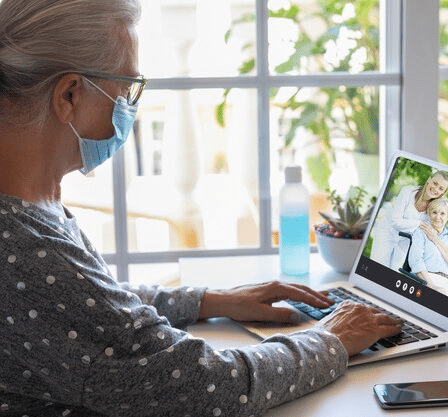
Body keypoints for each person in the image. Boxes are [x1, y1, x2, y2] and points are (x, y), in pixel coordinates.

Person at [0, 1, 401, 415]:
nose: (130, 107)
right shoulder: (28, 253)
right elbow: (203, 386)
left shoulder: (30, 212)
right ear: (69, 95)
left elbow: (91, 310)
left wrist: (212, 300)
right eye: (128, 90)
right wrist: (330, 338)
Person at [370, 171, 448, 270]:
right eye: (435, 183)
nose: (436, 189)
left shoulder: (435, 209)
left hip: (405, 240)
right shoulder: (407, 192)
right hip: (387, 230)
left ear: (443, 192)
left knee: (394, 270)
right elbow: (395, 222)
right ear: (429, 180)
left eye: (441, 188)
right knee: (377, 266)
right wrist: (419, 223)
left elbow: (436, 228)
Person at [407, 198, 448, 296]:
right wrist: (432, 286)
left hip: (444, 284)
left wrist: (435, 239)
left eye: (442, 214)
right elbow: (415, 261)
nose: (437, 217)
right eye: (434, 212)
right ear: (429, 213)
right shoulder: (421, 232)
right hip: (424, 280)